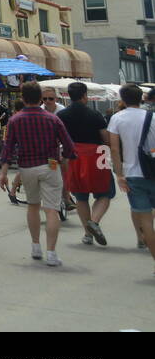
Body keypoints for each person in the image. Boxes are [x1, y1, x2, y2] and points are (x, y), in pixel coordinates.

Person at [0, 80, 77, 266]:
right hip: (50, 165)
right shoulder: (53, 119)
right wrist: (65, 157)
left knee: (33, 206)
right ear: (40, 98)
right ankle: (51, 253)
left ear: (23, 98)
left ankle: (35, 246)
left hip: (27, 167)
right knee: (51, 209)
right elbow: (69, 146)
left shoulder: (15, 120)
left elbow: (8, 148)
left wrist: (3, 173)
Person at [57, 81, 113, 246]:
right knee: (105, 193)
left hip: (73, 156)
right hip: (97, 155)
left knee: (81, 196)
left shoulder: (62, 115)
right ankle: (94, 222)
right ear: (84, 96)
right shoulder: (95, 115)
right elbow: (105, 138)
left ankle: (88, 235)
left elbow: (58, 138)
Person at [106, 83, 155, 272]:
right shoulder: (152, 117)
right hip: (152, 171)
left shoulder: (117, 118)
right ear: (141, 98)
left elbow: (114, 149)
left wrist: (119, 175)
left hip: (133, 174)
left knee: (146, 221)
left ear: (123, 99)